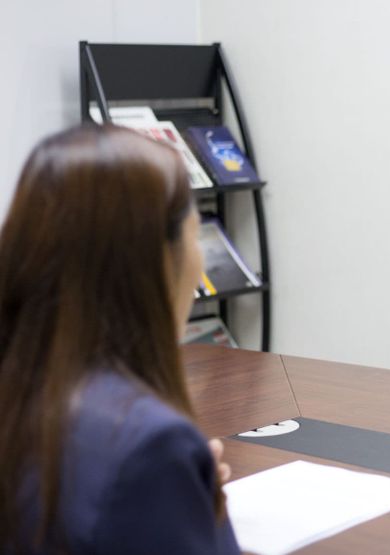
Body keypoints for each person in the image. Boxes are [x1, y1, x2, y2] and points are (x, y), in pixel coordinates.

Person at [0, 125, 240, 554]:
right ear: (160, 259)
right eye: (196, 230)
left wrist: (180, 489)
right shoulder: (149, 444)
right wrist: (186, 495)